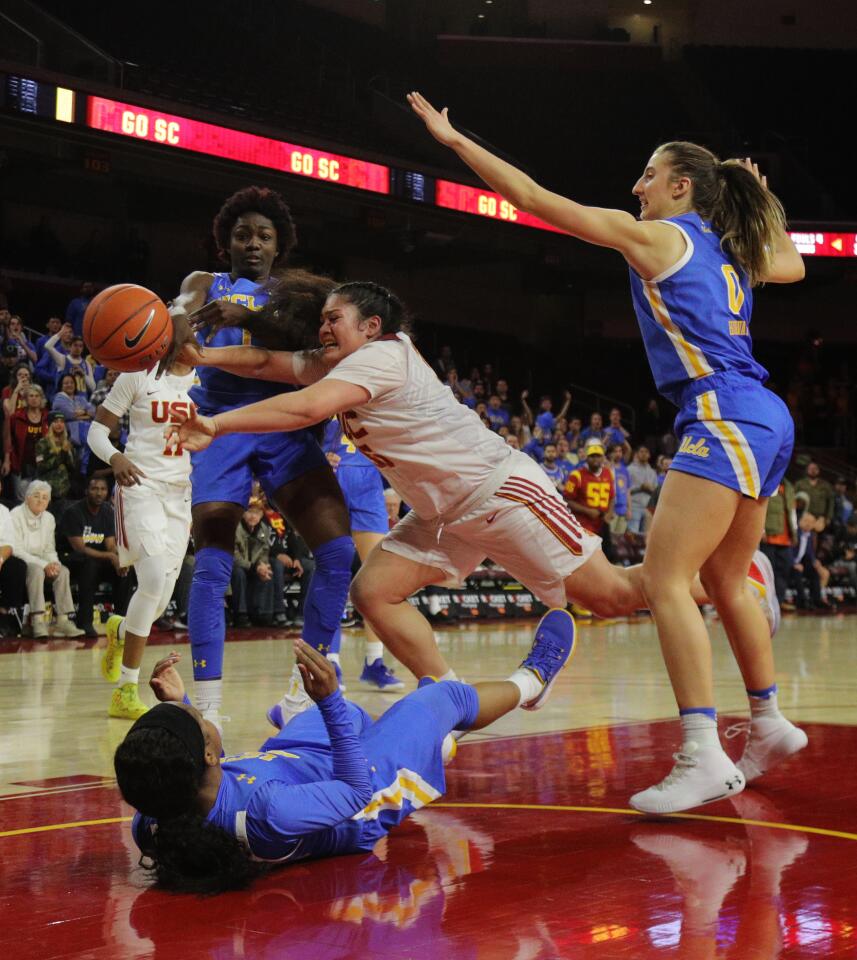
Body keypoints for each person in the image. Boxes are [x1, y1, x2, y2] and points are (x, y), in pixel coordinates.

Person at [406, 91, 807, 812]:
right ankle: (769, 719)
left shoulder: (658, 237)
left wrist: (453, 140)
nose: (635, 187)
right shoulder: (734, 249)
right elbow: (792, 266)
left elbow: (529, 195)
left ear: (679, 185)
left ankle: (701, 751)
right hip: (764, 416)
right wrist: (761, 200)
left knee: (662, 579)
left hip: (720, 410)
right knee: (721, 576)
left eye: (648, 175)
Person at [171, 282, 777, 697]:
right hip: (441, 513)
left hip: (499, 490)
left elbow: (301, 408)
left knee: (615, 597)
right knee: (376, 593)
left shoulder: (383, 357)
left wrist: (217, 424)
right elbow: (266, 362)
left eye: (333, 319)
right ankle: (449, 699)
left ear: (372, 326)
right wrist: (201, 356)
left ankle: (742, 582)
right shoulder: (343, 361)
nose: (322, 328)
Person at [114, 612, 576, 894]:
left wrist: (179, 707)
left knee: (355, 714)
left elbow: (204, 777)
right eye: (199, 723)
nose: (201, 718)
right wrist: (328, 701)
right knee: (440, 699)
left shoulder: (155, 814)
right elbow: (355, 791)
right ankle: (532, 682)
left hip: (295, 765)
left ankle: (432, 739)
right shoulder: (267, 812)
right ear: (209, 755)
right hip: (358, 796)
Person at [162, 185, 353, 726]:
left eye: (264, 236)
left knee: (337, 552)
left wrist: (250, 313)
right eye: (242, 234)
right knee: (214, 563)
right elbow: (179, 315)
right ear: (225, 241)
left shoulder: (295, 293)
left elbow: (307, 340)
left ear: (279, 245)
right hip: (216, 425)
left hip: (282, 421)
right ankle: (209, 711)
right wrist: (180, 315)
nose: (252, 243)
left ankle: (300, 696)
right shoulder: (204, 283)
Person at [86, 357, 195, 719]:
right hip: (138, 484)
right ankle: (126, 690)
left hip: (180, 492)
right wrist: (115, 458)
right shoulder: (137, 376)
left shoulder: (205, 379)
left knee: (159, 598)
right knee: (150, 581)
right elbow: (96, 432)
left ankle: (119, 630)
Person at [322, 417, 403, 691]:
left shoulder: (374, 388)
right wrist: (316, 457)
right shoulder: (318, 384)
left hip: (369, 483)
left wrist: (393, 487)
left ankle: (374, 662)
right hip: (332, 479)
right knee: (333, 575)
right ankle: (330, 659)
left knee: (377, 579)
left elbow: (391, 441)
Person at [58, 475, 132, 638]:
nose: (99, 493)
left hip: (99, 560)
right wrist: (111, 557)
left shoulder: (107, 511)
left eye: (103, 489)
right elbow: (80, 548)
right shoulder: (74, 512)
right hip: (73, 559)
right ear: (87, 491)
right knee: (89, 565)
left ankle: (121, 621)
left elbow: (111, 545)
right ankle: (84, 622)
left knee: (124, 569)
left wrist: (120, 558)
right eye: (94, 489)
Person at [9, 480, 84, 638]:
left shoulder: (49, 518)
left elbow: (50, 548)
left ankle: (63, 622)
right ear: (27, 498)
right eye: (36, 496)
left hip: (43, 560)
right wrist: (44, 565)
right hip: (22, 561)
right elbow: (17, 549)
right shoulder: (15, 515)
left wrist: (54, 564)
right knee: (36, 571)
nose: (40, 500)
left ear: (49, 501)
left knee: (63, 571)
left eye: (45, 497)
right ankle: (37, 620)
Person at [3, 384, 48, 501]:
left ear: (41, 398)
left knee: (39, 500)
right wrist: (9, 460)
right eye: (31, 396)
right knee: (22, 500)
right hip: (21, 464)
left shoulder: (47, 417)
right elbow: (8, 439)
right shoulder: (16, 417)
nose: (34, 398)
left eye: (37, 396)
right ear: (26, 399)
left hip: (42, 466)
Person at [34, 410, 77, 514]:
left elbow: (73, 467)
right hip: (46, 492)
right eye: (56, 421)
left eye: (62, 421)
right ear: (50, 424)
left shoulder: (68, 444)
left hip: (64, 492)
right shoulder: (42, 443)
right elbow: (41, 467)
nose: (59, 424)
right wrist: (62, 453)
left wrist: (67, 453)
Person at [51, 373, 95, 449]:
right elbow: (69, 414)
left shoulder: (81, 398)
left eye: (72, 382)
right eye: (66, 383)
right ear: (61, 386)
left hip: (86, 435)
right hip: (68, 436)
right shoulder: (58, 399)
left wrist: (80, 414)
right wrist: (85, 413)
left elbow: (93, 412)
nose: (69, 385)